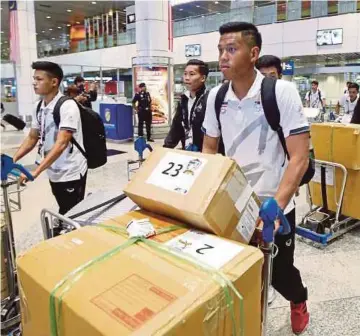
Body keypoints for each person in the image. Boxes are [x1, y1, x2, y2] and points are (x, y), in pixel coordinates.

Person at [202, 22, 310, 335]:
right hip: (233, 203)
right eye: (220, 50)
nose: (223, 56)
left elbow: (299, 156)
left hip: (273, 202)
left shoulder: (280, 92)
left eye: (231, 49)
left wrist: (277, 203)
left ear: (253, 53)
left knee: (279, 272)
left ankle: (298, 299)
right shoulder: (215, 96)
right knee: (239, 270)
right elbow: (209, 146)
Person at [13, 61, 87, 219]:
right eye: (34, 79)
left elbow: (62, 143)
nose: (34, 83)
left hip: (71, 171)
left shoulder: (67, 106)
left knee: (73, 211)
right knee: (64, 206)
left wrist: (36, 171)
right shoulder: (39, 106)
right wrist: (12, 160)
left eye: (39, 79)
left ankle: (75, 239)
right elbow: (33, 137)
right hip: (53, 169)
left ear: (54, 82)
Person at [164, 59, 209, 151]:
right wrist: (165, 149)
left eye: (192, 74)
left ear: (203, 78)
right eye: (185, 74)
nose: (187, 78)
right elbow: (176, 128)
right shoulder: (183, 100)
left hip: (206, 153)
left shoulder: (209, 99)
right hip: (188, 151)